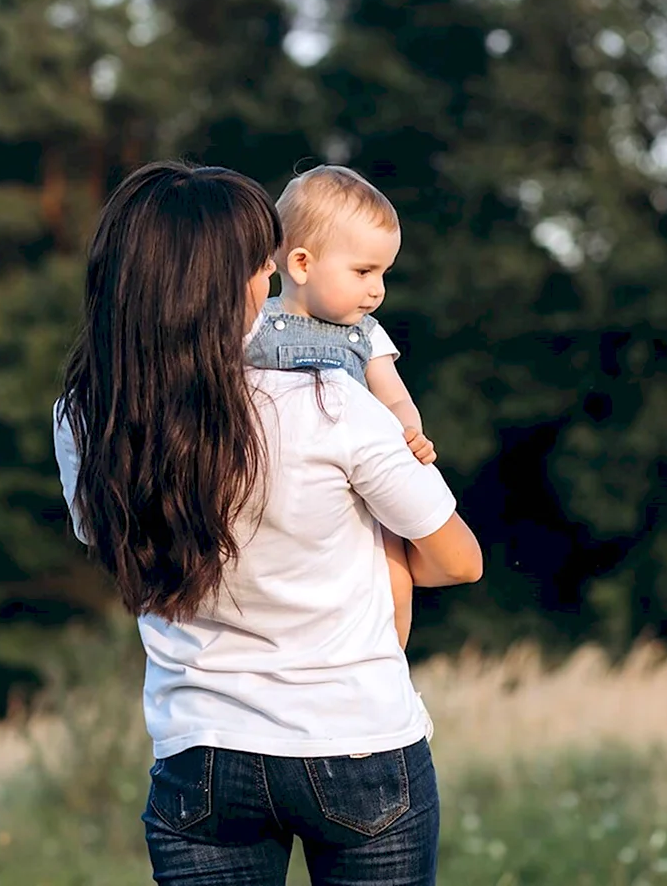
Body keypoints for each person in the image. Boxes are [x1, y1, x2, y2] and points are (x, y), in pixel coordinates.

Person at [52, 160, 483, 886]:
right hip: (355, 739)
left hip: (201, 753)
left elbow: (119, 546)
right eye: (259, 262)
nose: (268, 277)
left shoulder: (88, 417)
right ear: (222, 282)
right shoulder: (329, 401)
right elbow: (458, 559)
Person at [246, 164, 431, 654]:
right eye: (364, 271)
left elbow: (394, 396)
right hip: (281, 482)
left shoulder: (366, 335)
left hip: (360, 481)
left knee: (394, 574)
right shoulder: (255, 323)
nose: (378, 290)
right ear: (302, 264)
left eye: (383, 274)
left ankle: (386, 662)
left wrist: (409, 431)